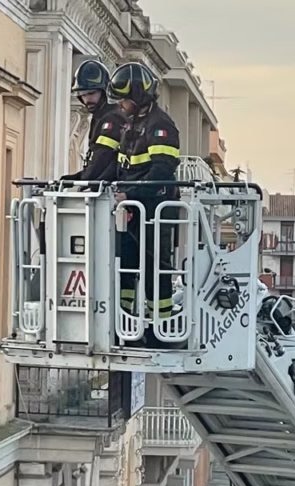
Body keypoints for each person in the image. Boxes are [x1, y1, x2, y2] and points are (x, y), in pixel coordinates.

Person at [107, 62, 181, 343]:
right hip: (131, 209)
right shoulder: (133, 123)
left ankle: (159, 330)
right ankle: (124, 323)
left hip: (154, 209)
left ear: (137, 96)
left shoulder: (160, 125)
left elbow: (161, 172)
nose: (121, 104)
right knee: (125, 264)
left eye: (124, 98)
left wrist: (129, 196)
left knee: (154, 268)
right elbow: (125, 165)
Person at [62, 59, 127, 183]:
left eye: (91, 93)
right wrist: (78, 177)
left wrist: (84, 181)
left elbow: (103, 156)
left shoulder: (112, 118)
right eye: (82, 94)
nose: (87, 99)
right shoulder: (100, 117)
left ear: (104, 92)